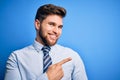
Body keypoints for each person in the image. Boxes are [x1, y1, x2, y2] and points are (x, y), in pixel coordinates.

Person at [4, 4, 88, 80]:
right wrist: (47, 78)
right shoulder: (16, 58)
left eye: (60, 27)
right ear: (37, 24)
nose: (56, 31)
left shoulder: (72, 56)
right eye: (51, 24)